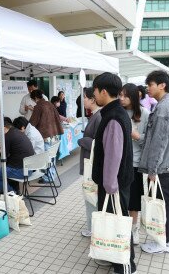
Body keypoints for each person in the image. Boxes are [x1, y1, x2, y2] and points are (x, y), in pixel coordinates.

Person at [91, 73, 136, 272]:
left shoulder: (113, 117)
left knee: (119, 223)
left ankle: (126, 265)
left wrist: (109, 186)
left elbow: (113, 155)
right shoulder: (116, 112)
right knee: (116, 220)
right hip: (118, 182)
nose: (93, 95)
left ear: (103, 91)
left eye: (94, 91)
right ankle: (115, 257)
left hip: (114, 184)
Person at [139, 70, 169, 255]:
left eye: (150, 85)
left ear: (162, 85)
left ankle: (163, 242)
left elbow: (159, 142)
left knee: (163, 203)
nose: (147, 89)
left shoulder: (163, 109)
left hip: (162, 165)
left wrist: (152, 170)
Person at [119, 84, 149, 245]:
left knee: (134, 200)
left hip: (135, 163)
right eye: (120, 95)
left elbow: (150, 140)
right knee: (120, 198)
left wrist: (136, 136)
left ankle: (134, 229)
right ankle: (122, 228)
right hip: (119, 162)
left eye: (125, 96)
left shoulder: (144, 114)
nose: (121, 98)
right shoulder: (118, 111)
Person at [77, 87, 102, 238]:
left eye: (85, 97)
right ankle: (93, 226)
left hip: (92, 164)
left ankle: (94, 228)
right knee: (91, 196)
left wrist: (83, 140)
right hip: (90, 163)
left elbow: (99, 144)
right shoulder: (95, 116)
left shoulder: (98, 117)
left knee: (91, 196)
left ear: (93, 99)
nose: (83, 100)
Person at [0, 119, 35, 193]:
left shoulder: (8, 136)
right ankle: (9, 190)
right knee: (3, 170)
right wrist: (0, 146)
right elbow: (12, 149)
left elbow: (4, 157)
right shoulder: (16, 132)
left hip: (21, 171)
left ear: (4, 128)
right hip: (30, 168)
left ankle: (12, 194)